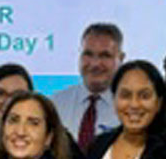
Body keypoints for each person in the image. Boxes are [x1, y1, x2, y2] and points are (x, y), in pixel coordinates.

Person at [52, 23, 123, 151]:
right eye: (88, 54)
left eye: (105, 55)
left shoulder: (129, 109)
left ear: (121, 59)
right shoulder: (56, 104)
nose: (95, 64)